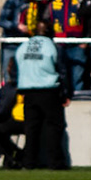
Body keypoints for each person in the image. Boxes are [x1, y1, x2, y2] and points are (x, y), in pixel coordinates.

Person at [17, 14, 68, 168]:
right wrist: (66, 93)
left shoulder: (23, 46)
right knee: (54, 127)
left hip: (28, 91)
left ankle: (29, 161)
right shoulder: (52, 46)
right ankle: (55, 162)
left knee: (31, 129)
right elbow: (62, 70)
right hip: (48, 90)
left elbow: (17, 67)